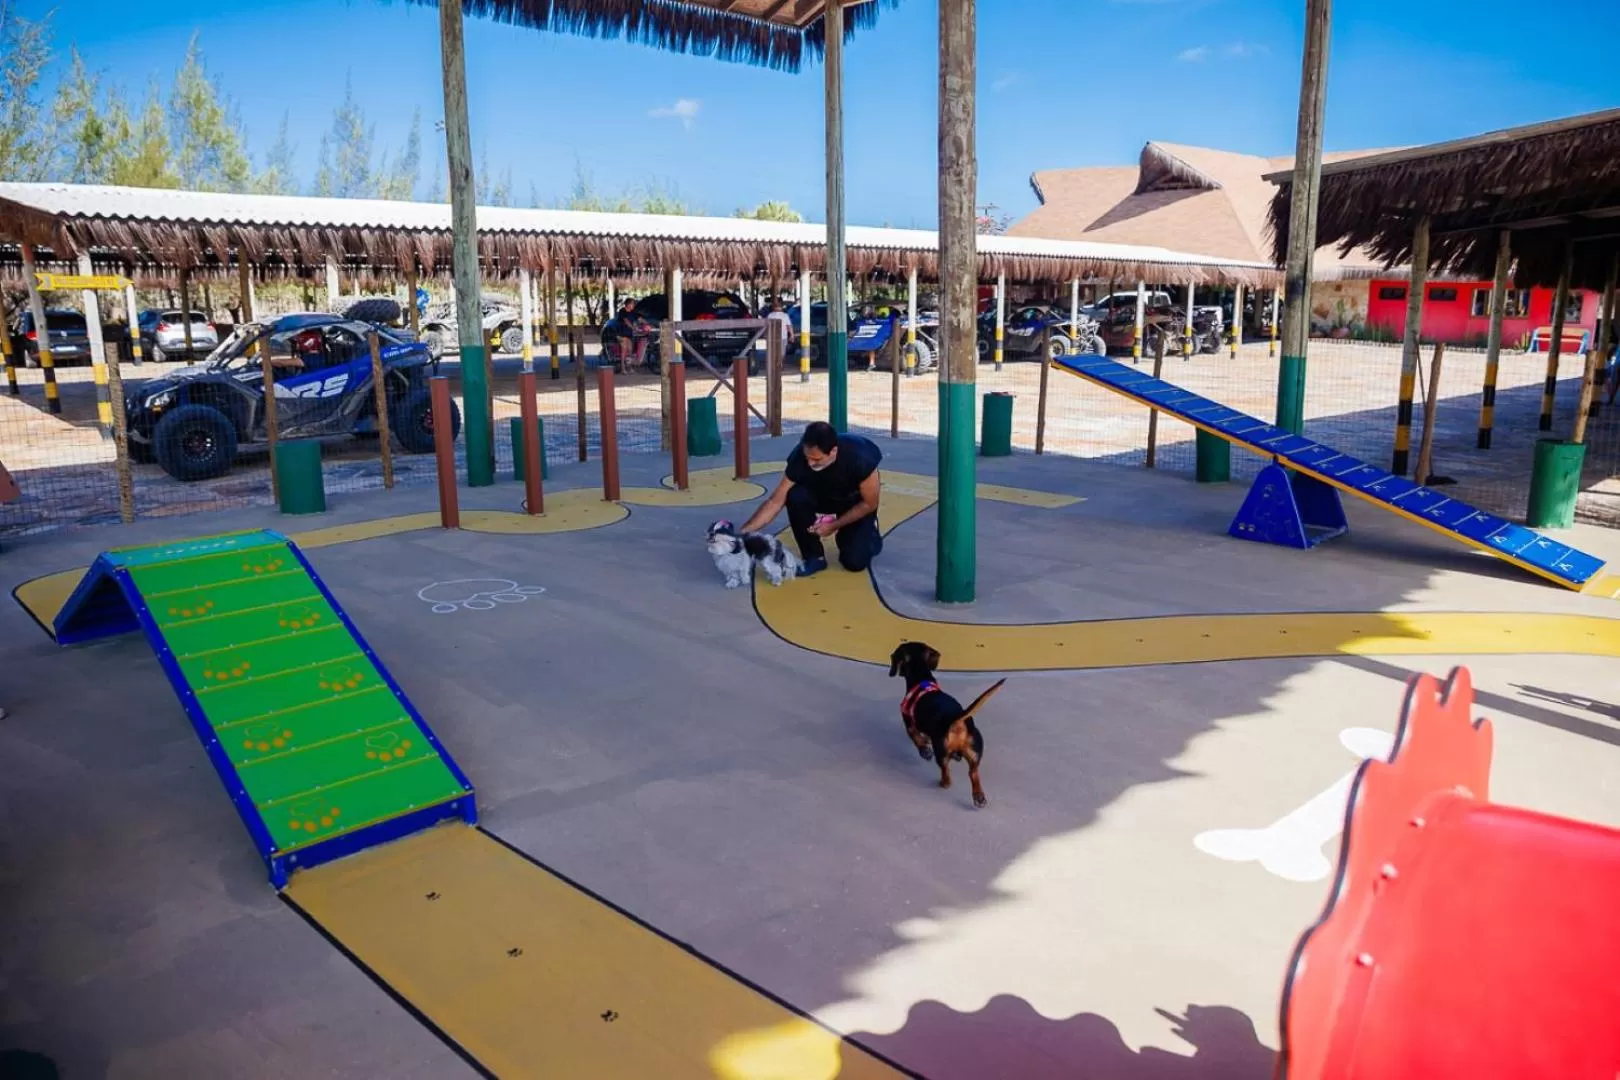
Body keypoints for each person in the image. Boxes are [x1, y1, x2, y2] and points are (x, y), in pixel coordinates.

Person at [738, 421, 883, 576]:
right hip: (823, 496)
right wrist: (742, 534)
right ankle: (814, 557)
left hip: (854, 503)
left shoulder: (860, 457)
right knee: (794, 495)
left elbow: (870, 503)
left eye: (816, 459)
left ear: (833, 451)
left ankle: (868, 535)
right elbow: (775, 501)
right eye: (808, 457)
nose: (810, 463)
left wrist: (834, 525)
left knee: (854, 562)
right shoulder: (799, 457)